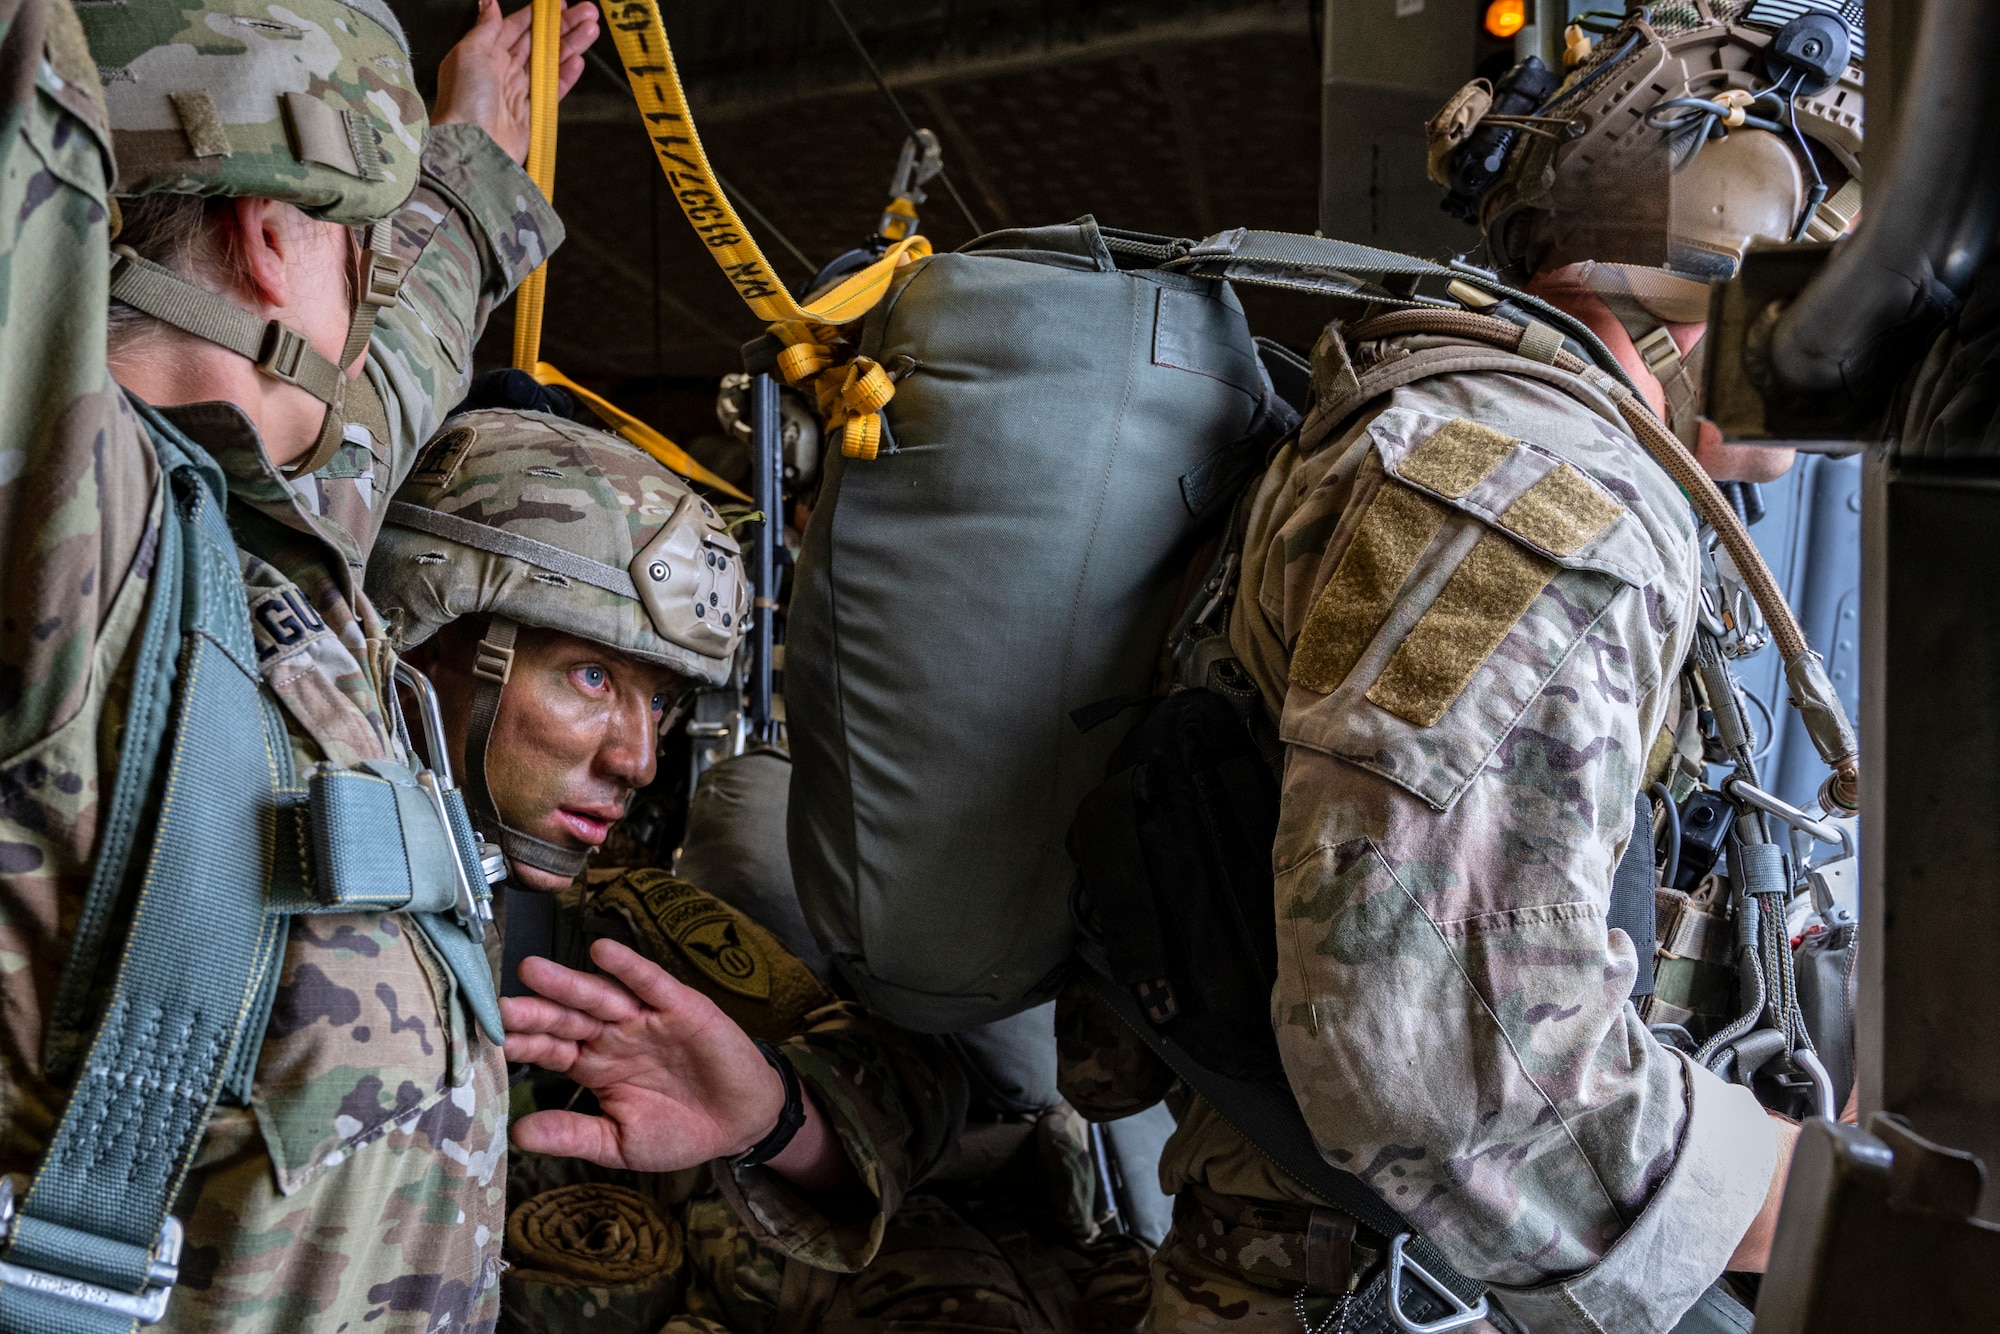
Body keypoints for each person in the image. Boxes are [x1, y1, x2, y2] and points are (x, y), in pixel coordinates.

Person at [1053, 6, 1868, 1333]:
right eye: (1831, 244)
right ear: (1733, 237)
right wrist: (1810, 1221)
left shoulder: (1525, 451)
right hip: (1399, 1295)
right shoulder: (1538, 484)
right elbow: (1442, 1053)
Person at [0, 0, 596, 1326]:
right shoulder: (69, 537)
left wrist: (462, 159)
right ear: (275, 236)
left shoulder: (265, 540)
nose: (371, 310)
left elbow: (398, 372)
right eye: (360, 254)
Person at [365, 407, 1152, 1334]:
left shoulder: (609, 930)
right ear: (427, 636)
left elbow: (910, 1078)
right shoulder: (216, 878)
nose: (638, 760)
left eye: (655, 701)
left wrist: (781, 1119)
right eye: (589, 677)